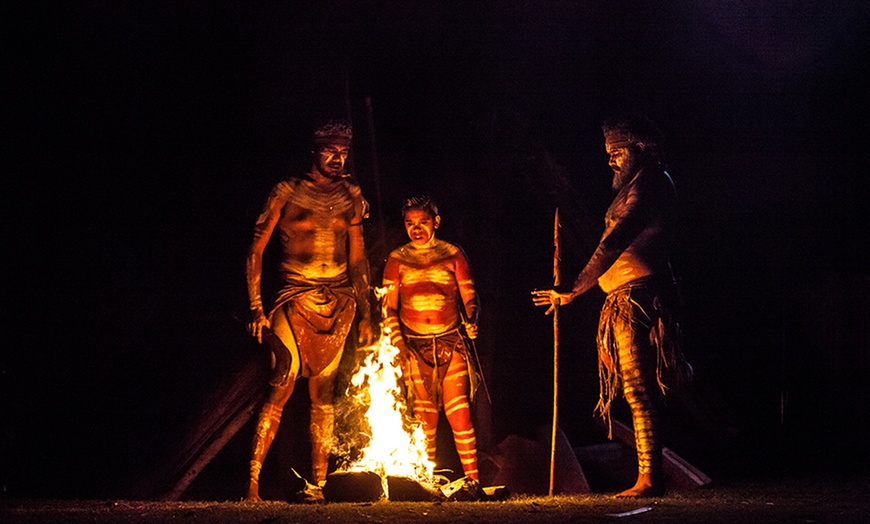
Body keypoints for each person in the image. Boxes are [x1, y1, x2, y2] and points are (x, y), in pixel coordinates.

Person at [532, 114, 691, 498]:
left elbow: (615, 241)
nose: (610, 161)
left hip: (638, 298)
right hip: (626, 297)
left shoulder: (648, 186)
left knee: (639, 388)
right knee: (636, 389)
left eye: (616, 152)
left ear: (639, 149)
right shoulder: (640, 184)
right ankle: (647, 477)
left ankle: (649, 479)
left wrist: (573, 289)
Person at [244, 120, 374, 501]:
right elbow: (256, 250)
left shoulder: (352, 195)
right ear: (313, 151)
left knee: (323, 394)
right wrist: (255, 307)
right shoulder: (287, 191)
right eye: (330, 151)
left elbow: (359, 259)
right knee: (281, 382)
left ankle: (317, 485)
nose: (338, 158)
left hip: (338, 299)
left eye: (344, 152)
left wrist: (366, 312)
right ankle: (251, 484)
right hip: (294, 294)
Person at [381, 196, 482, 482]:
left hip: (451, 342)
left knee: (459, 414)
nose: (416, 229)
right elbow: (388, 307)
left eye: (422, 223)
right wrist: (398, 344)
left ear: (435, 222)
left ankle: (473, 482)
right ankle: (426, 482)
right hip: (415, 347)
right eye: (410, 224)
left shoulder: (453, 254)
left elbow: (470, 297)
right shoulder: (397, 259)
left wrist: (472, 320)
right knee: (425, 420)